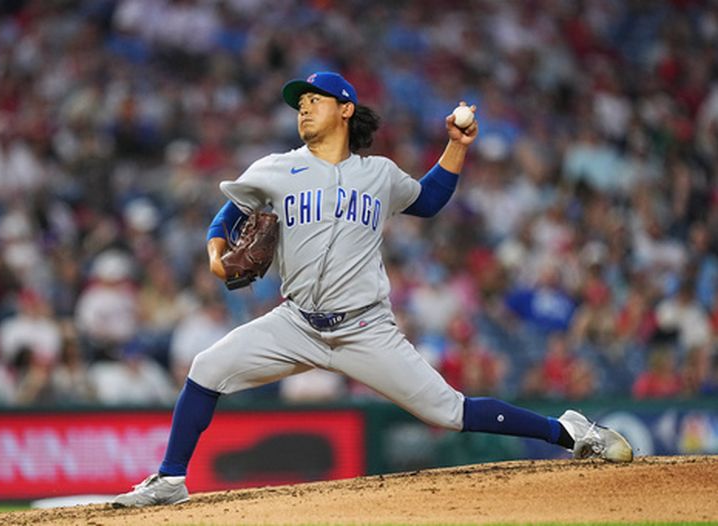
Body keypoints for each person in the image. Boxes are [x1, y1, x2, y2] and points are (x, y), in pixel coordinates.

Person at [112, 72, 633, 508]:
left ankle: (568, 432)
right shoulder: (277, 168)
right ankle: (170, 481)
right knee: (206, 369)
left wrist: (455, 146)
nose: (304, 108)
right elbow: (229, 212)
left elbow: (427, 201)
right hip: (296, 323)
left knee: (449, 413)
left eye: (315, 100)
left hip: (365, 328)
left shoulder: (379, 174)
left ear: (345, 109)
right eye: (300, 103)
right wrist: (215, 258)